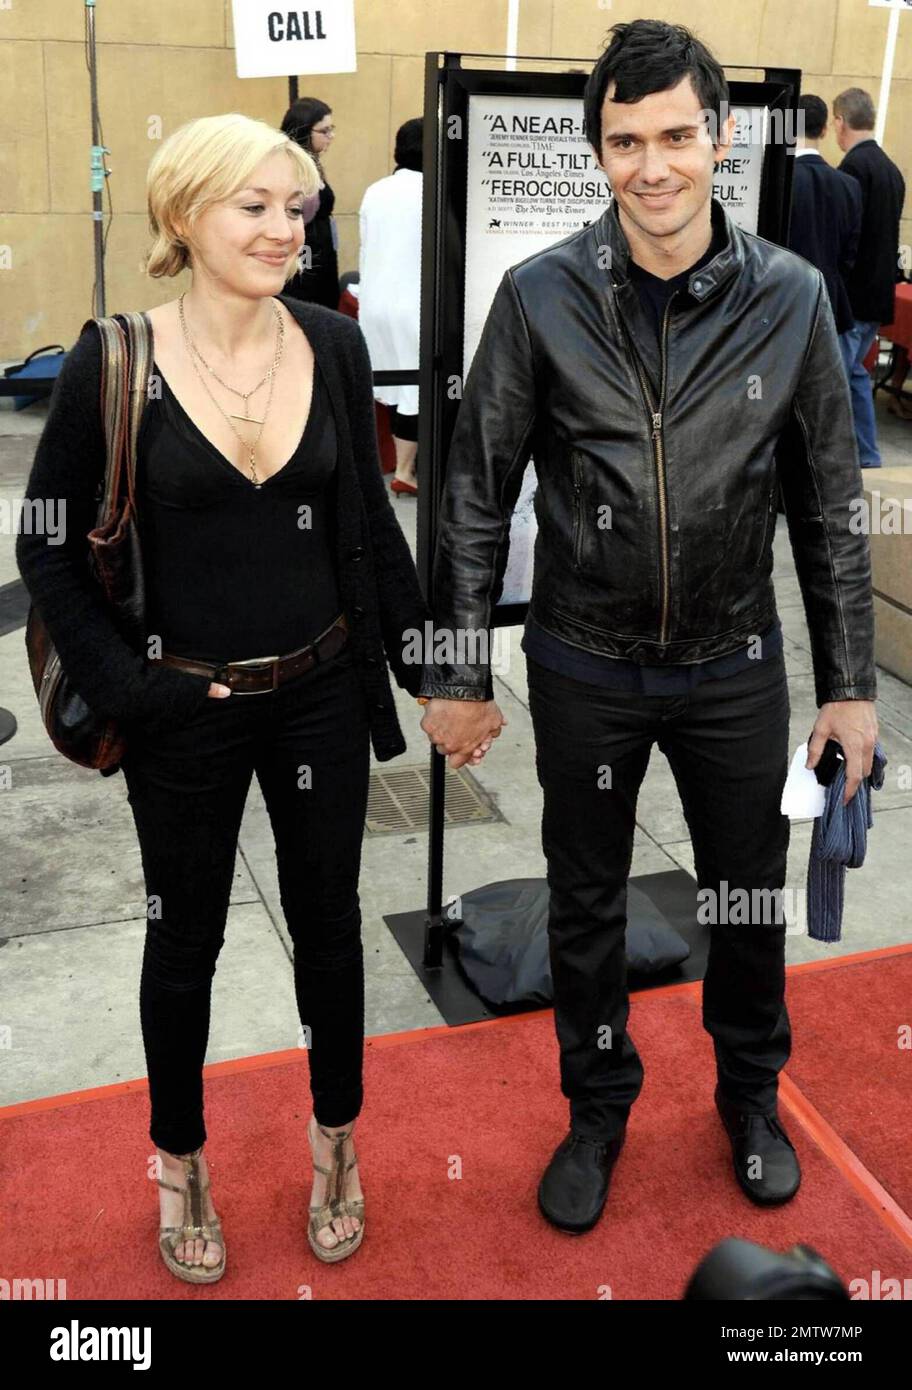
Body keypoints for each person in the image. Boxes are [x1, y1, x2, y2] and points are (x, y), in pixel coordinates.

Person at [417, 20, 878, 1234]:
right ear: (599, 151)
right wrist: (458, 667)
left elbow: (830, 504)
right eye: (627, 140)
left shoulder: (791, 298)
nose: (654, 163)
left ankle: (749, 1096)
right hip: (584, 664)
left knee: (745, 899)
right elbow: (473, 495)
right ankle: (598, 1105)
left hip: (734, 665)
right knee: (587, 904)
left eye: (678, 134)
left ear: (722, 137)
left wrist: (851, 684)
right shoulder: (539, 296)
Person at [15, 112, 493, 1280]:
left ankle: (337, 1144)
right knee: (186, 943)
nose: (287, 228)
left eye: (300, 208)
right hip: (183, 710)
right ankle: (179, 1160)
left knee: (331, 931)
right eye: (256, 206)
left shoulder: (329, 346)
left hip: (320, 693)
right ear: (185, 216)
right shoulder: (114, 359)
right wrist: (134, 687)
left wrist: (444, 672)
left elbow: (373, 534)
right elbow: (46, 543)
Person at [833, 87, 906, 467]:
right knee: (857, 374)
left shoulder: (852, 170)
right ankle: (867, 450)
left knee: (835, 377)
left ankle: (838, 456)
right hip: (879, 296)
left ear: (841, 121)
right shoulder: (892, 171)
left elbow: (849, 238)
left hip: (855, 296)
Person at [358, 118, 424, 497]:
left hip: (376, 303)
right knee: (417, 391)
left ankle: (403, 468)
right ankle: (405, 470)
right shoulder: (433, 189)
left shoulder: (376, 191)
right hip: (414, 304)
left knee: (398, 388)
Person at [787, 94, 861, 338]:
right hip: (830, 304)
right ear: (824, 130)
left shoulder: (779, 181)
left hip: (782, 303)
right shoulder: (849, 186)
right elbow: (850, 255)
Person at [281, 97, 341, 310]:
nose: (330, 136)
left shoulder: (311, 162)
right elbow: (299, 214)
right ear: (306, 130)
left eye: (331, 129)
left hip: (321, 251)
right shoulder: (291, 164)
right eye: (324, 131)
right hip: (304, 257)